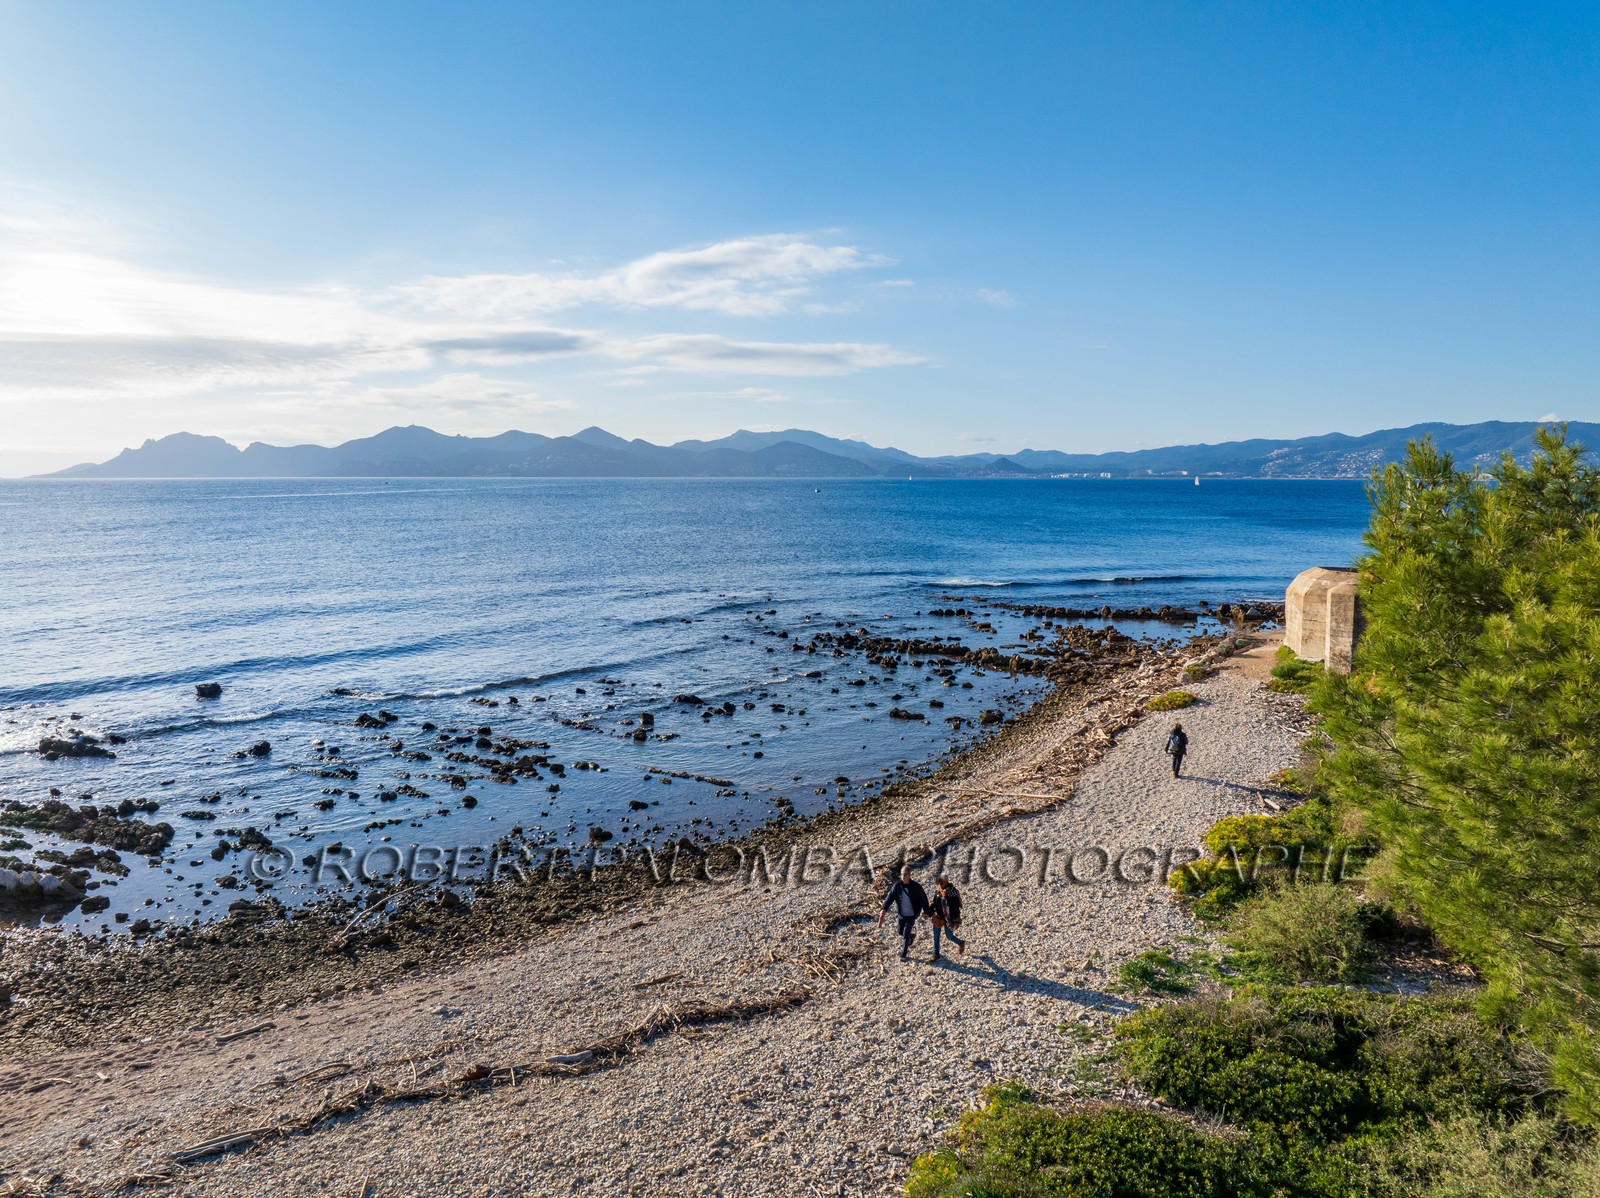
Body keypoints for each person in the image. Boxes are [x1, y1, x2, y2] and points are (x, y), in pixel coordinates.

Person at [877, 866, 929, 960]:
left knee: (905, 933)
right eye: (901, 874)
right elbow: (890, 897)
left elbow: (924, 898)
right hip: (901, 913)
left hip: (912, 914)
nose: (903, 877)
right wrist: (883, 909)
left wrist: (926, 912)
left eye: (905, 875)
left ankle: (903, 954)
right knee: (900, 931)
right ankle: (912, 936)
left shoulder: (916, 886)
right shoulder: (897, 886)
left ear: (909, 875)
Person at [929, 878, 965, 962]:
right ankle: (936, 954)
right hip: (938, 917)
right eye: (939, 882)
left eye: (941, 882)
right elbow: (934, 903)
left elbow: (955, 908)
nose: (940, 884)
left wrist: (956, 921)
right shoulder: (938, 891)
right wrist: (929, 913)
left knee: (949, 936)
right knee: (936, 935)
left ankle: (961, 943)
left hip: (949, 918)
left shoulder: (952, 892)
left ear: (946, 881)